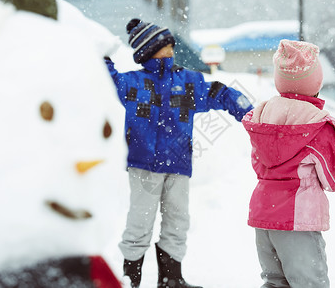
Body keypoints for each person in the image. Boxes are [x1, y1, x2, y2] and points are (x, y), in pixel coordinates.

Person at [104, 18, 254, 288]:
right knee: (140, 221)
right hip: (143, 164)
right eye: (165, 46)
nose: (171, 49)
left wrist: (246, 109)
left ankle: (172, 278)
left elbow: (218, 92)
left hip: (178, 164)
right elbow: (106, 79)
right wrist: (99, 52)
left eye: (171, 44)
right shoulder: (132, 83)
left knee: (177, 220)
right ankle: (130, 278)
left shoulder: (188, 82)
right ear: (148, 51)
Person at [242, 39, 335, 288]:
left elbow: (259, 163)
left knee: (274, 282)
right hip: (297, 220)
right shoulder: (317, 124)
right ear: (316, 83)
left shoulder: (263, 117)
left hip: (263, 214)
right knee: (309, 282)